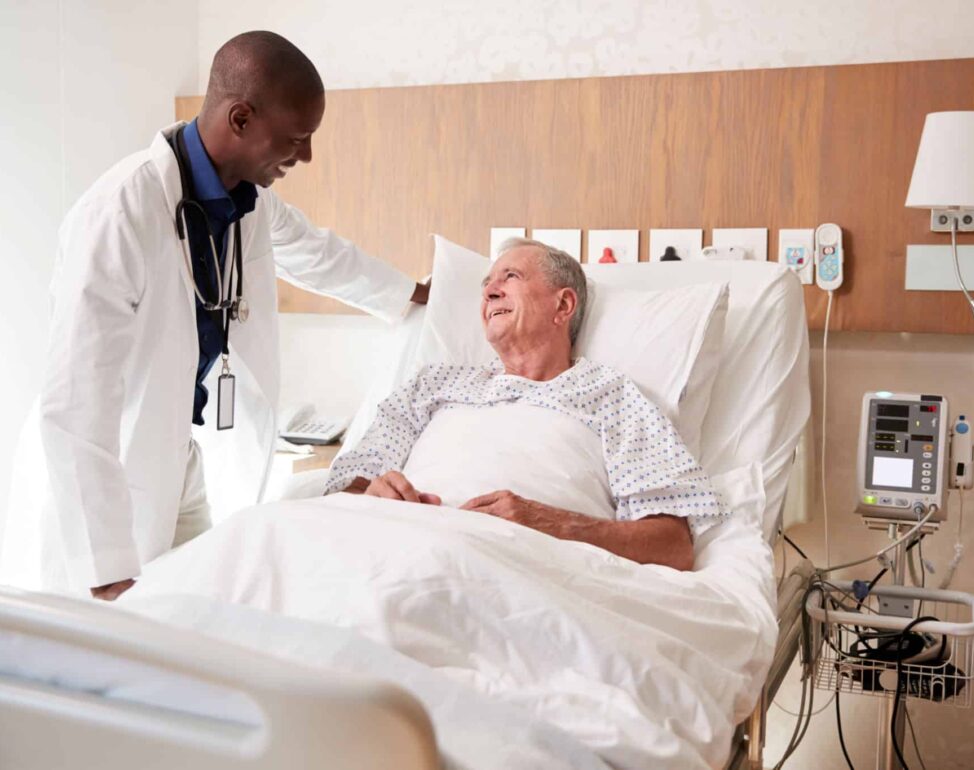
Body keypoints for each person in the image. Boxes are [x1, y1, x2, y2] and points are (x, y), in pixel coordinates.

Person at [0, 31, 427, 599]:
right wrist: (105, 571)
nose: (304, 156)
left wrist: (412, 294)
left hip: (177, 458)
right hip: (103, 479)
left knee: (207, 608)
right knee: (113, 649)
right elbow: (75, 405)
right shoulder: (119, 214)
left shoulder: (247, 198)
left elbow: (316, 253)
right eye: (297, 138)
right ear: (242, 118)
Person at [324, 238, 727, 571]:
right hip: (389, 552)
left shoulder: (612, 396)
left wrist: (553, 524)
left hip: (519, 569)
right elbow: (348, 490)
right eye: (486, 284)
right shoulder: (432, 386)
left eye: (510, 277)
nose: (489, 291)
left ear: (563, 306)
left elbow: (672, 546)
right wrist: (372, 498)